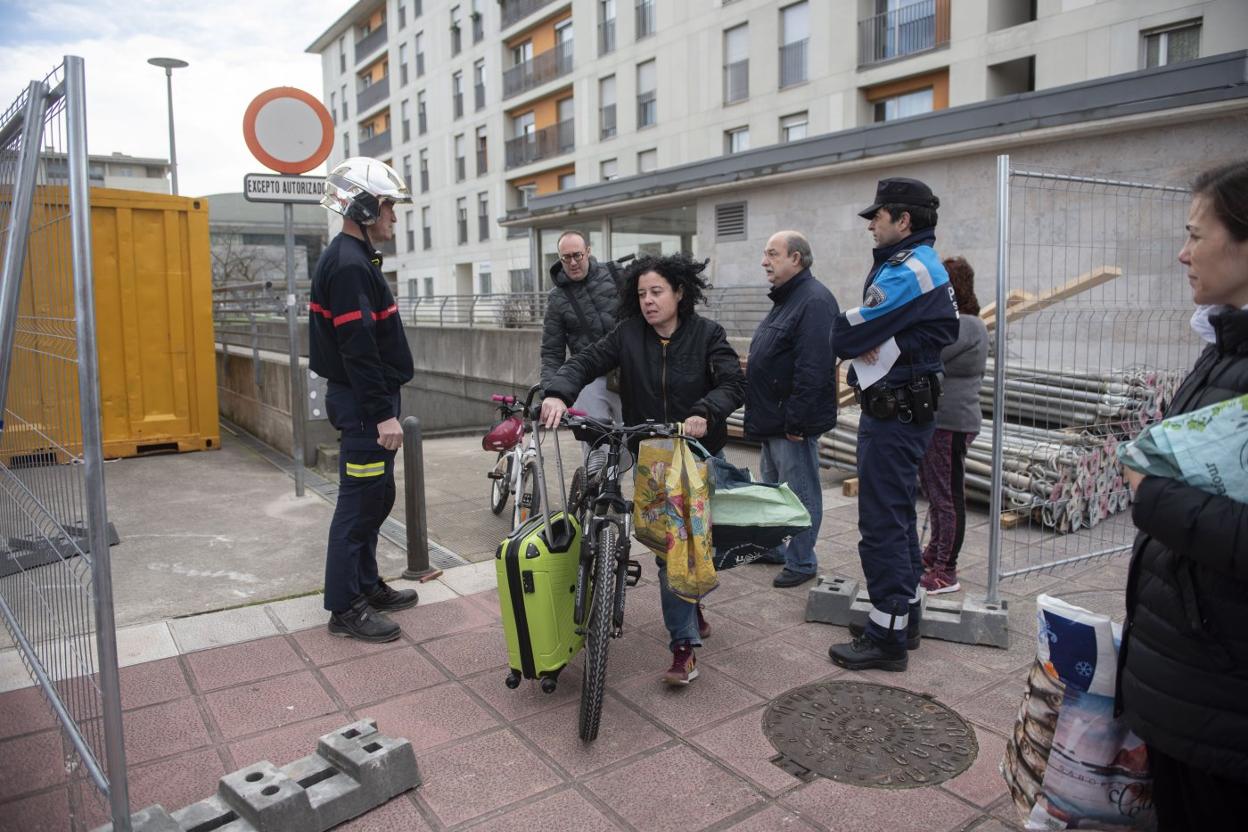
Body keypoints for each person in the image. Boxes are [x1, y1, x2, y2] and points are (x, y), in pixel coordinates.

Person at [540, 253, 745, 686]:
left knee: (697, 545)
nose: (649, 301)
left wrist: (707, 411)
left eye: (657, 292)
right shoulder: (628, 335)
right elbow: (585, 361)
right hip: (653, 459)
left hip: (699, 454)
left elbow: (733, 382)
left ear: (679, 293)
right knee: (669, 549)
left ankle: (687, 614)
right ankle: (684, 646)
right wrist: (558, 392)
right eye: (642, 294)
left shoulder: (708, 334)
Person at [1117, 159, 1248, 828]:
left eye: (1197, 233)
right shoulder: (1225, 342)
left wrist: (1151, 494)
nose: (1182, 250)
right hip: (1192, 675)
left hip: (1224, 704)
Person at [828, 177, 959, 672]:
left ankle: (885, 638)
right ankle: (903, 617)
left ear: (903, 221)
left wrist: (866, 331)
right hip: (904, 409)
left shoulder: (908, 271)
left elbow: (848, 330)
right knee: (899, 513)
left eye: (877, 216)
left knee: (882, 521)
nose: (870, 224)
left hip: (894, 415)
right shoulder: (916, 263)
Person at [310, 157, 420, 643]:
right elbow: (359, 349)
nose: (395, 217)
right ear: (368, 206)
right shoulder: (349, 265)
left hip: (366, 405)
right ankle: (345, 607)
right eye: (390, 207)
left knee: (376, 498)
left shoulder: (355, 259)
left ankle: (366, 583)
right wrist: (381, 414)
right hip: (363, 408)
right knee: (357, 505)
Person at [744, 231, 840, 588]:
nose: (764, 261)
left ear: (796, 258)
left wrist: (797, 422)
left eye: (772, 254)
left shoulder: (813, 301)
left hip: (790, 422)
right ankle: (776, 549)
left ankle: (802, 561)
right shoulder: (789, 298)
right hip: (773, 418)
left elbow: (814, 368)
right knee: (772, 491)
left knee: (799, 493)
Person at [916, 256, 989, 594]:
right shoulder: (957, 322)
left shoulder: (968, 324)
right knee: (936, 492)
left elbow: (929, 351)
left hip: (952, 424)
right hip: (942, 422)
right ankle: (935, 551)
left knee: (947, 497)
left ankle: (947, 569)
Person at [540, 231, 623, 432]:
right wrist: (552, 394)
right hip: (590, 378)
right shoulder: (557, 298)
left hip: (630, 373)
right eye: (566, 258)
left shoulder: (616, 274)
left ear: (588, 251)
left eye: (578, 255)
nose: (573, 262)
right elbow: (552, 352)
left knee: (637, 443)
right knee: (595, 445)